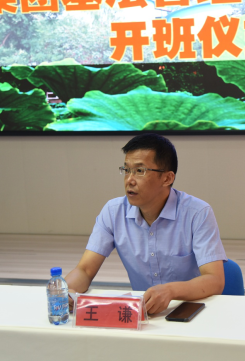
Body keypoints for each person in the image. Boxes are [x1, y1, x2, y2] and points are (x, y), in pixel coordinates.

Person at [65, 134, 226, 314]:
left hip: (191, 309)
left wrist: (171, 291)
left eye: (139, 171)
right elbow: (85, 270)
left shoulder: (197, 213)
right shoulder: (113, 211)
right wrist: (65, 290)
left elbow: (214, 280)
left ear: (167, 178)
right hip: (143, 315)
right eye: (126, 170)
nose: (129, 180)